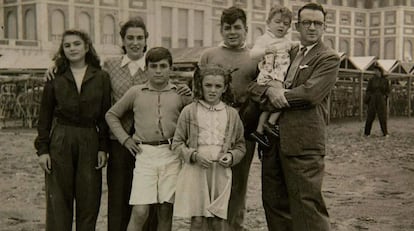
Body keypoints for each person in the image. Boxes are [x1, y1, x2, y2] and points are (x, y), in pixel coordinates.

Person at [248, 2, 340, 230]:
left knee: (307, 208)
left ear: (324, 27)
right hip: (272, 143)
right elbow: (254, 86)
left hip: (303, 145)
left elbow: (311, 94)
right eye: (307, 22)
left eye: (317, 23)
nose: (312, 27)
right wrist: (270, 90)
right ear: (297, 26)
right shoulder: (284, 50)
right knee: (275, 205)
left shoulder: (328, 58)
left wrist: (281, 95)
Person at [105, 47, 193, 231]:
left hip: (171, 155)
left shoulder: (179, 93)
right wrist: (125, 139)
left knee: (165, 210)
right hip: (145, 155)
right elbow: (111, 115)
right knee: (140, 211)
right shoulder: (136, 92)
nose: (158, 70)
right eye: (153, 66)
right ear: (147, 68)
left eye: (163, 66)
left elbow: (195, 117)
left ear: (171, 68)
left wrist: (190, 96)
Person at [34, 29, 111, 231]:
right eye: (67, 45)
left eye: (76, 44)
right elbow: (44, 117)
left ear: (86, 47)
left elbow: (104, 115)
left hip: (89, 139)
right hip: (61, 138)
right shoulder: (55, 77)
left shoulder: (101, 77)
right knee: (58, 201)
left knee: (89, 200)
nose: (72, 48)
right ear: (63, 50)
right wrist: (43, 150)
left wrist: (103, 147)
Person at [198, 6, 258, 230]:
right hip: (211, 124)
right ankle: (209, 225)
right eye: (227, 28)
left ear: (246, 29)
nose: (232, 32)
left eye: (237, 28)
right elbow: (197, 88)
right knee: (209, 177)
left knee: (238, 180)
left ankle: (234, 225)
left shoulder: (255, 57)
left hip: (244, 124)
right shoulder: (209, 55)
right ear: (221, 30)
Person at [172, 65, 246, 230]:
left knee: (218, 220)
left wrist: (232, 156)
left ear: (225, 88)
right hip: (196, 170)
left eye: (218, 86)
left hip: (220, 171)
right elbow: (177, 144)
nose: (212, 90)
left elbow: (241, 145)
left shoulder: (232, 114)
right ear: (200, 85)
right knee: (198, 220)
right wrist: (193, 155)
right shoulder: (189, 111)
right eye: (208, 85)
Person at [246, 5, 296, 147]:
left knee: (269, 105)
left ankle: (259, 131)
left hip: (278, 77)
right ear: (268, 23)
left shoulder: (286, 41)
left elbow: (295, 45)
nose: (281, 26)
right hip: (269, 76)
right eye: (278, 22)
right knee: (283, 97)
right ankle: (271, 123)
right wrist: (265, 50)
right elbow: (252, 54)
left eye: (286, 24)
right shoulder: (264, 39)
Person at [364, 64, 390, 137]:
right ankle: (367, 133)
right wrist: (369, 98)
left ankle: (385, 132)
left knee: (382, 116)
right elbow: (368, 90)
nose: (375, 72)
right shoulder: (371, 80)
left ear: (380, 71)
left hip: (381, 99)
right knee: (370, 115)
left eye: (377, 71)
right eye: (374, 71)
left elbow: (388, 90)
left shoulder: (385, 80)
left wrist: (385, 96)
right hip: (373, 99)